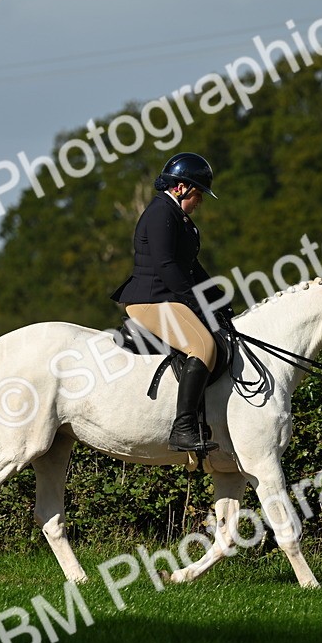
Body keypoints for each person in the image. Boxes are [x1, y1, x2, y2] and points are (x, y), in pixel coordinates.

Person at [110, 152, 232, 453]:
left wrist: (219, 299)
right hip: (150, 299)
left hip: (167, 297)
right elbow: (166, 266)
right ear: (180, 187)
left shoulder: (179, 217)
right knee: (202, 346)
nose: (200, 201)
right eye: (198, 195)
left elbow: (191, 266)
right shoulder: (161, 213)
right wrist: (197, 302)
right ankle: (183, 428)